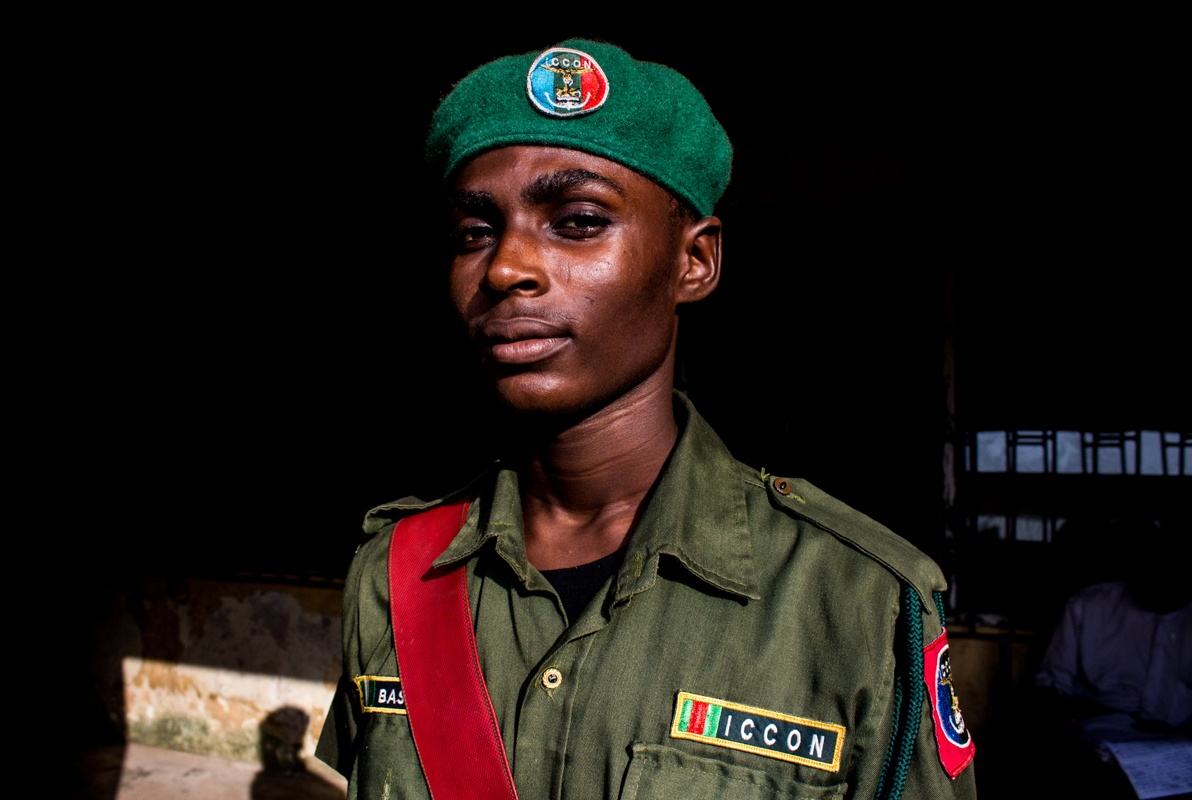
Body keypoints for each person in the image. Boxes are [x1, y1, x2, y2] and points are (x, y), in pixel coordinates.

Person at [317, 38, 977, 800]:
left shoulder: (856, 600)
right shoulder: (398, 572)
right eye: (474, 233)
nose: (504, 268)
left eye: (577, 221)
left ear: (694, 262)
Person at [1031, 516, 1191, 799]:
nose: (1164, 579)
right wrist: (1058, 713)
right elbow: (1052, 680)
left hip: (1180, 749)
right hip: (1100, 741)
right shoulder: (1089, 606)